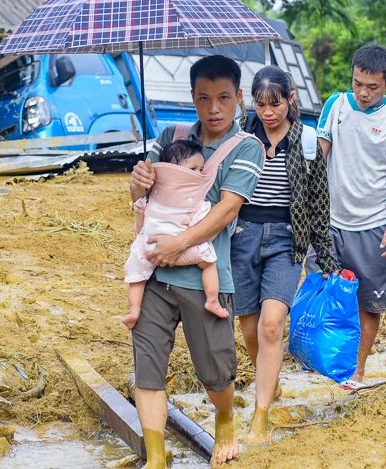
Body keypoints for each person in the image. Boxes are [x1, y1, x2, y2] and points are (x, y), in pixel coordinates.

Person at [128, 55, 265, 467]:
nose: (214, 108)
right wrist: (137, 182)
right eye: (204, 98)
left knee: (215, 372)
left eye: (223, 97)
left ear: (239, 98)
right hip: (154, 275)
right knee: (148, 368)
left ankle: (224, 418)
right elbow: (141, 199)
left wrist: (178, 245)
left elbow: (227, 209)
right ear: (192, 97)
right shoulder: (171, 135)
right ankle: (155, 458)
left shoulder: (246, 147)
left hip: (206, 276)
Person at [232, 66, 339, 443]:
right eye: (261, 104)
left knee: (271, 325)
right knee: (250, 331)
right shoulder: (240, 136)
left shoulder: (307, 142)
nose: (268, 112)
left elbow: (318, 203)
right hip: (242, 237)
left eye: (275, 104)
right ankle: (270, 380)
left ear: (290, 98)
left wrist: (326, 260)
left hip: (287, 240)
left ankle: (260, 418)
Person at [305, 44, 386, 389]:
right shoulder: (336, 105)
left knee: (368, 302)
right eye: (357, 84)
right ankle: (324, 359)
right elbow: (319, 157)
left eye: (372, 87)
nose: (363, 93)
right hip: (330, 222)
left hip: (374, 225)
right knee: (324, 289)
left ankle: (358, 370)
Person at [122, 139, 228, 330]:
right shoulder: (194, 203)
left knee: (137, 276)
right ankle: (212, 300)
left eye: (201, 169)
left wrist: (141, 238)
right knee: (208, 261)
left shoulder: (154, 196)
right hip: (182, 251)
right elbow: (202, 223)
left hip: (149, 249)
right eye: (193, 169)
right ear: (175, 170)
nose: (199, 173)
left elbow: (140, 218)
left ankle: (134, 311)